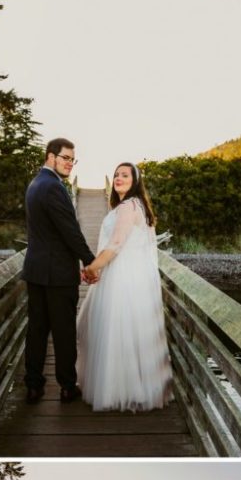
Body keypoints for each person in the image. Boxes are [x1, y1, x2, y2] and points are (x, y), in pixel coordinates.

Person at [75, 162, 173, 412]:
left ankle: (119, 390)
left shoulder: (128, 206)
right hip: (133, 276)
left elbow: (117, 242)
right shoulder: (136, 206)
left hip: (122, 277)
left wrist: (92, 268)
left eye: (125, 175)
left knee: (118, 330)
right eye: (116, 174)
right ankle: (134, 387)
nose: (118, 178)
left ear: (135, 181)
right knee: (129, 332)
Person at [20, 138, 96, 404]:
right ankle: (66, 386)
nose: (69, 164)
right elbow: (69, 231)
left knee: (37, 330)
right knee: (64, 331)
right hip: (58, 273)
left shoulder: (35, 184)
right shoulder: (54, 187)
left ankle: (33, 385)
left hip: (35, 270)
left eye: (72, 159)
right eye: (65, 158)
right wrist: (89, 260)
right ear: (50, 157)